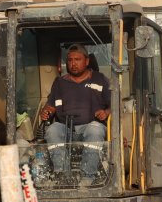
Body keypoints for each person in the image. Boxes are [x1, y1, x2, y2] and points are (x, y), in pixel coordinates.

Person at [39, 44, 111, 185]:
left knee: (94, 130)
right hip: (66, 129)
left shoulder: (100, 79)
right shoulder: (60, 82)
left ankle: (87, 178)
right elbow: (51, 106)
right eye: (70, 60)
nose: (73, 64)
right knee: (53, 130)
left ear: (87, 61)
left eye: (77, 59)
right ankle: (64, 176)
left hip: (90, 127)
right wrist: (46, 111)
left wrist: (106, 112)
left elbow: (114, 105)